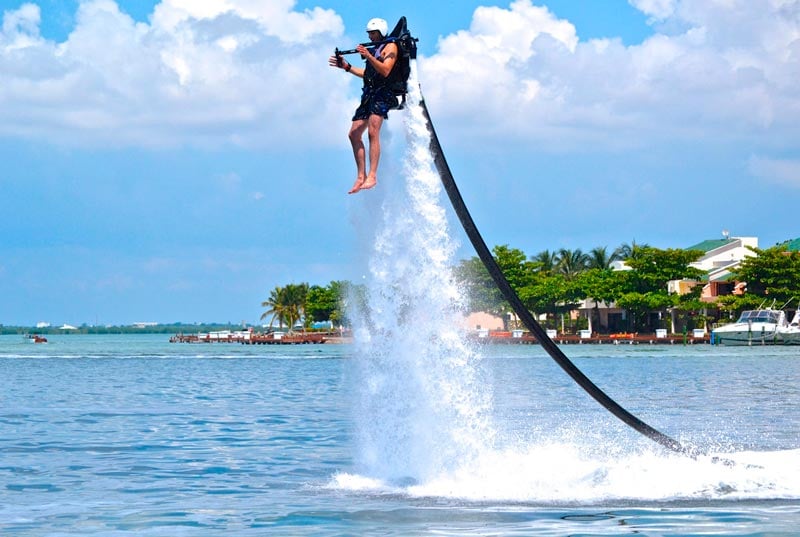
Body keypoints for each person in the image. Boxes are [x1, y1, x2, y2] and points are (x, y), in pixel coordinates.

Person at [329, 18, 400, 194]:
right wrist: (347, 67)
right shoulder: (374, 49)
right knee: (353, 134)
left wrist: (368, 55)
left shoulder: (390, 47)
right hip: (369, 94)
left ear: (382, 33)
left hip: (383, 93)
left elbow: (385, 71)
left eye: (374, 34)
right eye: (369, 34)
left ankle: (373, 175)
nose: (371, 37)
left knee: (373, 131)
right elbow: (368, 74)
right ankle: (361, 176)